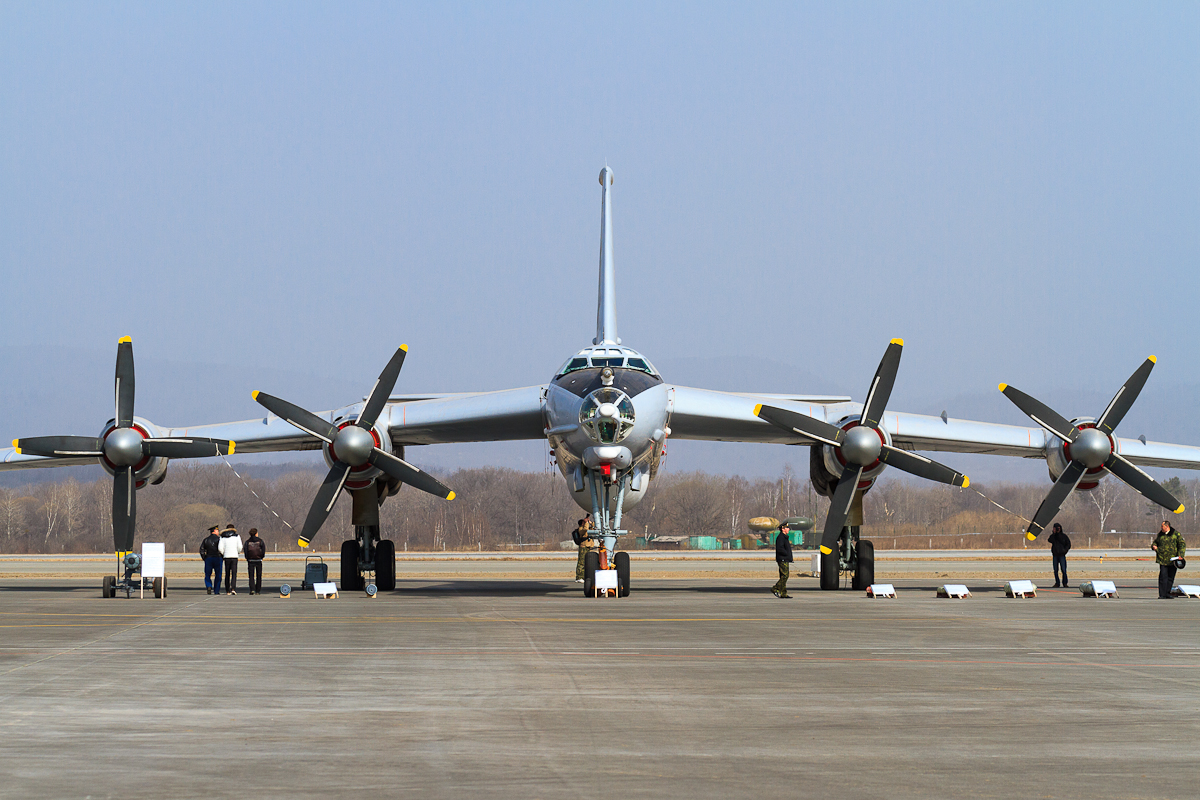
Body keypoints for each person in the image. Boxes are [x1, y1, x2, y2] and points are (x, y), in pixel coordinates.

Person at [1151, 520, 1187, 599]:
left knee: (1170, 577)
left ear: (1167, 526)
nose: (1161, 528)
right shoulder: (1160, 534)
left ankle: (1167, 593)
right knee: (1163, 577)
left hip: (1173, 560)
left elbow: (1182, 544)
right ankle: (1162, 594)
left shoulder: (1176, 534)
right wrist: (1154, 546)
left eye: (1162, 526)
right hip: (1163, 560)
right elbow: (1155, 542)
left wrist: (1181, 555)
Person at [218, 524, 243, 595]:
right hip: (234, 556)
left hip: (226, 557)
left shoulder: (222, 537)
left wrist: (224, 553)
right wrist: (237, 552)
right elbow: (240, 546)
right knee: (234, 573)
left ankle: (227, 590)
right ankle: (233, 588)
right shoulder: (237, 536)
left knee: (227, 574)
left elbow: (220, 548)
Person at [200, 525, 223, 595]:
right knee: (218, 575)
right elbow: (222, 549)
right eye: (218, 530)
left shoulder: (206, 540)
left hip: (209, 558)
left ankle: (209, 586)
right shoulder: (219, 539)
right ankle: (216, 590)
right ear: (215, 531)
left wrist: (204, 558)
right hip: (217, 558)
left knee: (207, 574)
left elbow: (201, 550)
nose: (218, 532)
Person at [771, 523, 792, 598]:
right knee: (785, 576)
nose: (788, 529)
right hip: (783, 559)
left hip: (785, 558)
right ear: (783, 529)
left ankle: (783, 593)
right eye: (787, 528)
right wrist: (786, 554)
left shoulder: (784, 537)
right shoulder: (781, 538)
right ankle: (775, 588)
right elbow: (780, 549)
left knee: (783, 576)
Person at [1047, 522, 1071, 588]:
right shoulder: (1053, 536)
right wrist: (1054, 533)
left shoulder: (1064, 536)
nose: (1057, 529)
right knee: (1055, 570)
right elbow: (1049, 540)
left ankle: (1065, 583)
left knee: (1063, 570)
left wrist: (1064, 551)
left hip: (1062, 555)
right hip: (1055, 555)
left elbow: (1068, 544)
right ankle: (1057, 583)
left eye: (1058, 528)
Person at [572, 515, 595, 583]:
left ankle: (585, 576)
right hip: (583, 547)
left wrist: (590, 522)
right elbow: (585, 529)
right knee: (581, 562)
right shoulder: (581, 529)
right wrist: (586, 523)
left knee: (587, 563)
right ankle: (579, 577)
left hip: (588, 546)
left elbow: (594, 528)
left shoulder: (587, 527)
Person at [244, 528, 266, 595]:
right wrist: (261, 557)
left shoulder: (247, 542)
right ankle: (258, 590)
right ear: (256, 533)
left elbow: (245, 551)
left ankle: (252, 589)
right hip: (258, 560)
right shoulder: (260, 541)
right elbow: (263, 550)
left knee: (251, 576)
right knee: (259, 576)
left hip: (250, 560)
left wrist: (247, 558)